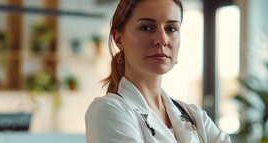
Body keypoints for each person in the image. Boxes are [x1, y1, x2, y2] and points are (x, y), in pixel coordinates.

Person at [85, 0, 231, 142]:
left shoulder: (195, 116)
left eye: (171, 29)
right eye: (147, 28)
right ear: (119, 39)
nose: (162, 39)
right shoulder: (107, 111)